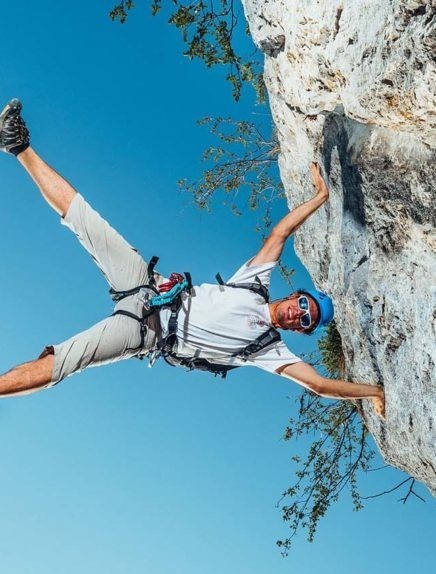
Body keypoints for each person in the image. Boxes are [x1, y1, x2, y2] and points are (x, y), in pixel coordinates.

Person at [0, 99, 385, 418]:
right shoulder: (253, 285)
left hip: (146, 332)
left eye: (306, 320)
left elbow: (317, 384)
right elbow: (280, 234)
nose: (299, 313)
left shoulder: (267, 350)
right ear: (293, 296)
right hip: (149, 285)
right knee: (84, 218)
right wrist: (319, 198)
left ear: (299, 330)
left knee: (64, 363)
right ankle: (17, 144)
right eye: (304, 305)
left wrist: (373, 392)